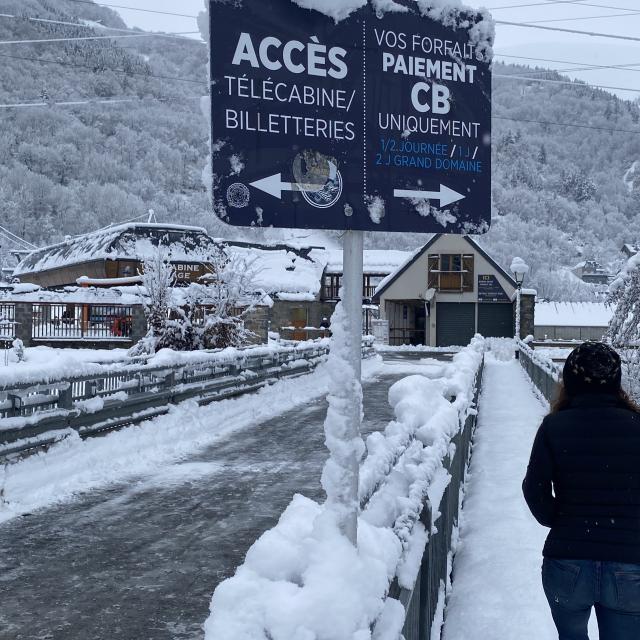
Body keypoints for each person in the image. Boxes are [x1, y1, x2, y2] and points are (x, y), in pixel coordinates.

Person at [523, 341, 640, 639]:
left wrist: (563, 519)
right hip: (629, 564)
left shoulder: (553, 426)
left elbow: (534, 489)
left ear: (570, 382)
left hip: (567, 562)